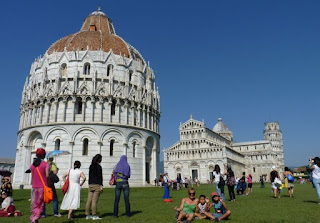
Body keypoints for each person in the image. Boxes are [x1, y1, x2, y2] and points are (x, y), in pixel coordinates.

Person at [30, 148, 49, 223]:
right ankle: (35, 218)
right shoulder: (45, 164)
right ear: (44, 155)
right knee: (40, 204)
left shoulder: (32, 165)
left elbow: (32, 175)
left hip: (34, 186)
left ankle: (34, 218)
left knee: (35, 204)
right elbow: (47, 175)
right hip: (42, 187)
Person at [85, 154, 103, 220]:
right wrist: (101, 185)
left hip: (91, 184)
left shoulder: (91, 166)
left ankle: (87, 214)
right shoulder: (98, 167)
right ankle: (94, 215)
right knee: (94, 201)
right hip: (96, 185)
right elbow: (100, 177)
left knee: (89, 200)